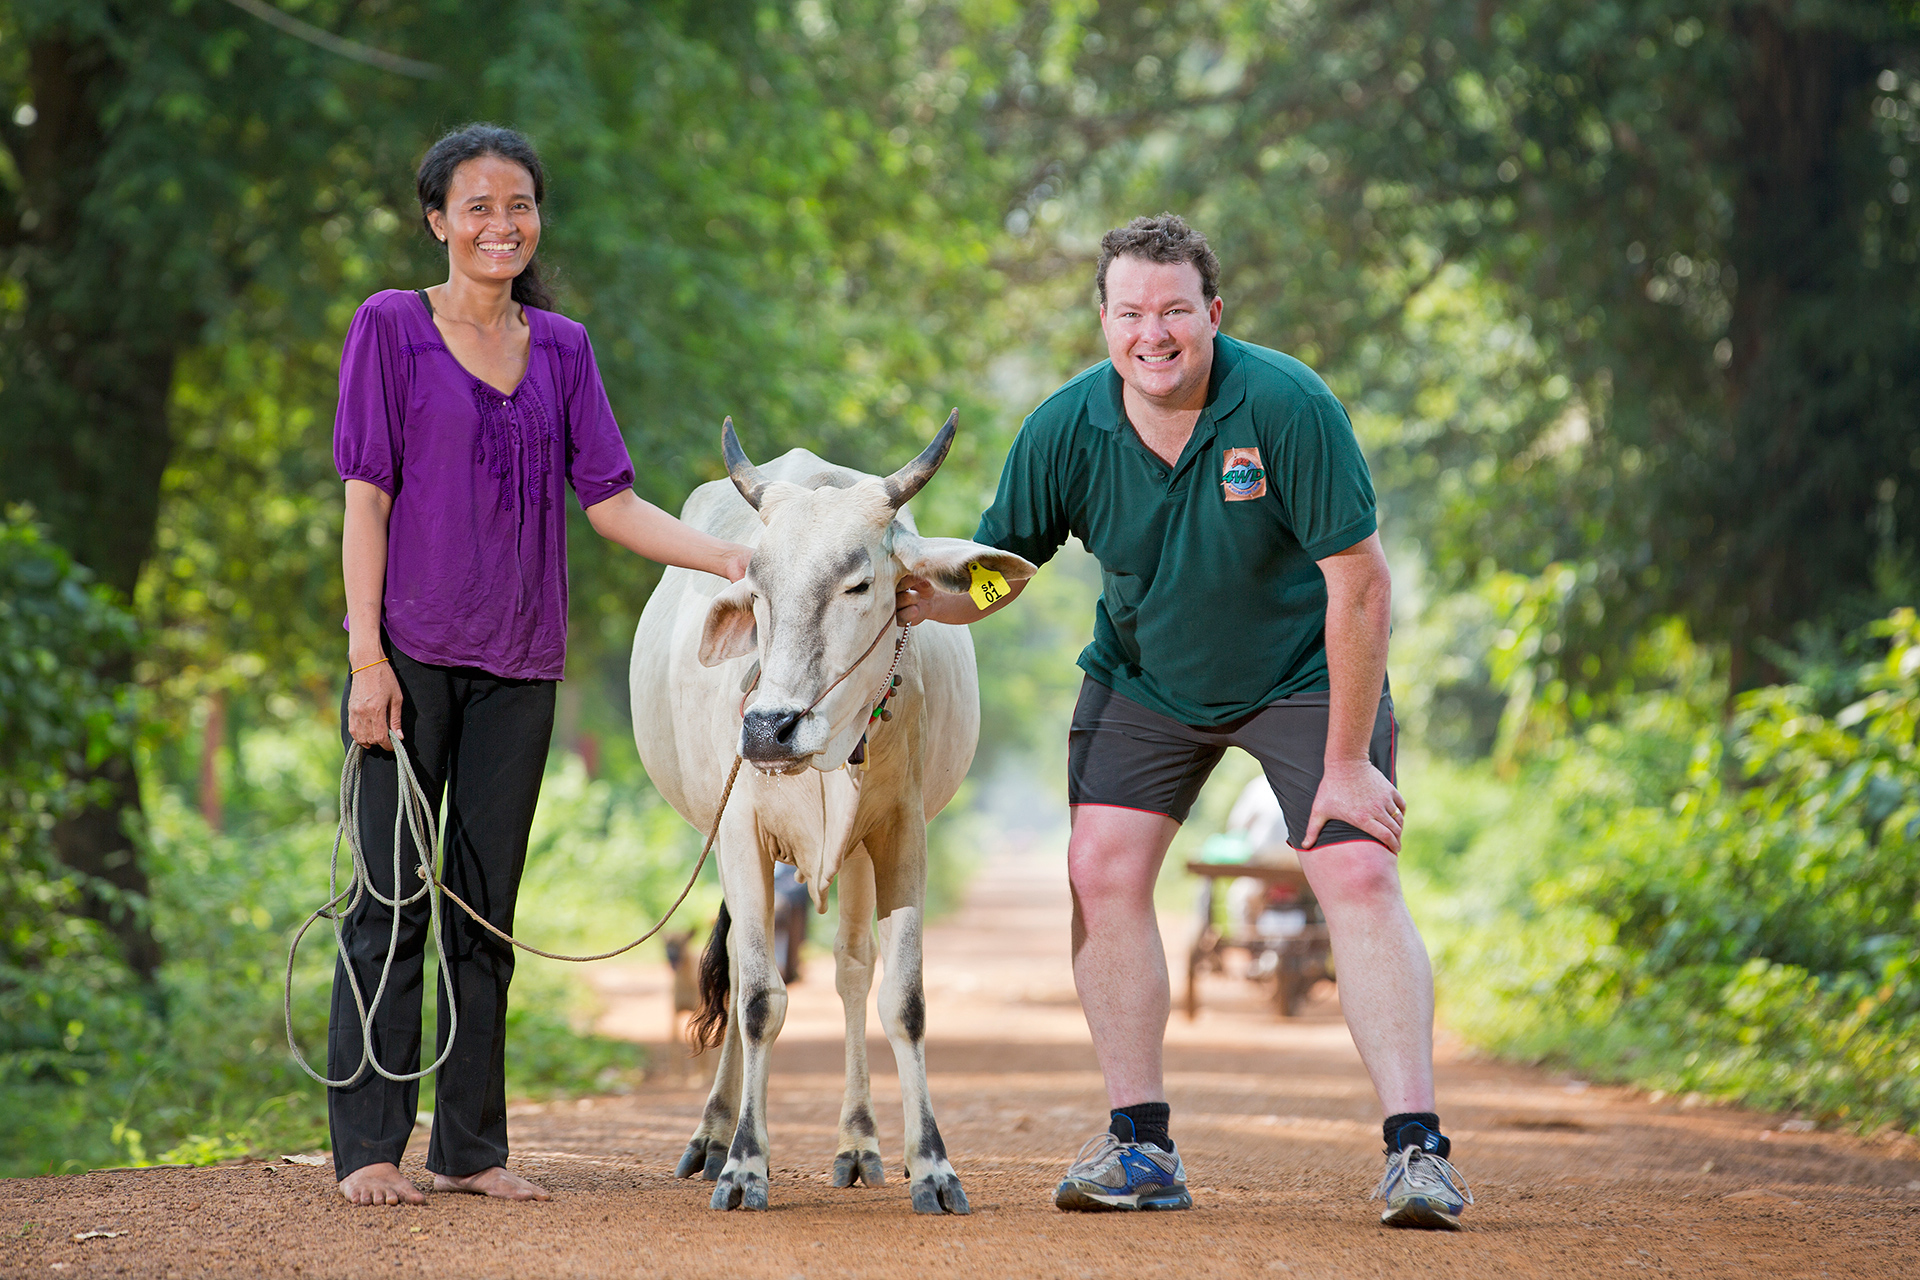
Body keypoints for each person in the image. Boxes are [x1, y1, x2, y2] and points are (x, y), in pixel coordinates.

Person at [894, 214, 1473, 1229]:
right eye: (1129, 312)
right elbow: (997, 573)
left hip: (1303, 671)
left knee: (1359, 866)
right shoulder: (1067, 426)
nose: (1150, 333)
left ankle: (1417, 1149)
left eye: (1172, 310)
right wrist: (906, 599)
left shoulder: (1286, 402)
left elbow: (1363, 585)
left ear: (1212, 313)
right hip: (1148, 677)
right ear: (1104, 319)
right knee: (1099, 867)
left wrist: (1346, 760)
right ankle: (1140, 1142)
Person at [329, 123, 752, 1206]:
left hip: (520, 663)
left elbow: (610, 502)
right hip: (408, 660)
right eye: (476, 205)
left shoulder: (563, 349)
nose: (499, 224)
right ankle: (368, 1146)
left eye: (517, 205)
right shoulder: (389, 328)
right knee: (388, 900)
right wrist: (365, 656)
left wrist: (738, 560)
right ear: (437, 219)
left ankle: (469, 1147)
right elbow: (364, 499)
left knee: (483, 907)